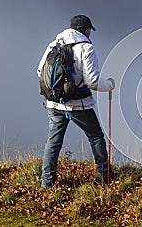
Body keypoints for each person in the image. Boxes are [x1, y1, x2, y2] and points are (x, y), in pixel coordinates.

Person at [37, 15, 115, 188]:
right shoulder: (86, 48)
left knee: (54, 141)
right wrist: (109, 85)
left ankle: (46, 183)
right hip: (79, 104)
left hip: (54, 102)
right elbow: (92, 81)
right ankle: (106, 177)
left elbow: (40, 70)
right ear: (86, 30)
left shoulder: (54, 44)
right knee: (95, 137)